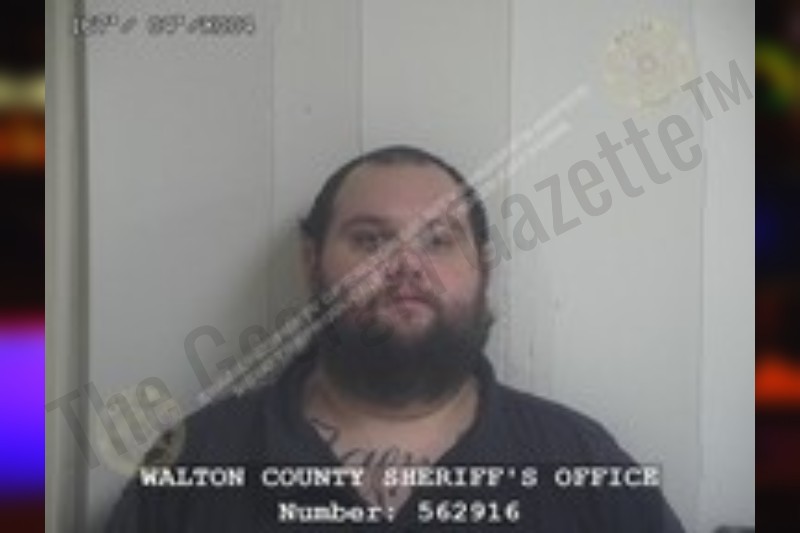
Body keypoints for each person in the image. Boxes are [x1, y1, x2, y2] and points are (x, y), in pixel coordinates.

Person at [105, 146, 685, 532]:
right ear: (312, 263)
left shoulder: (580, 462)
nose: (406, 267)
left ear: (484, 269)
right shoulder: (197, 460)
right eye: (370, 240)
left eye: (438, 240)